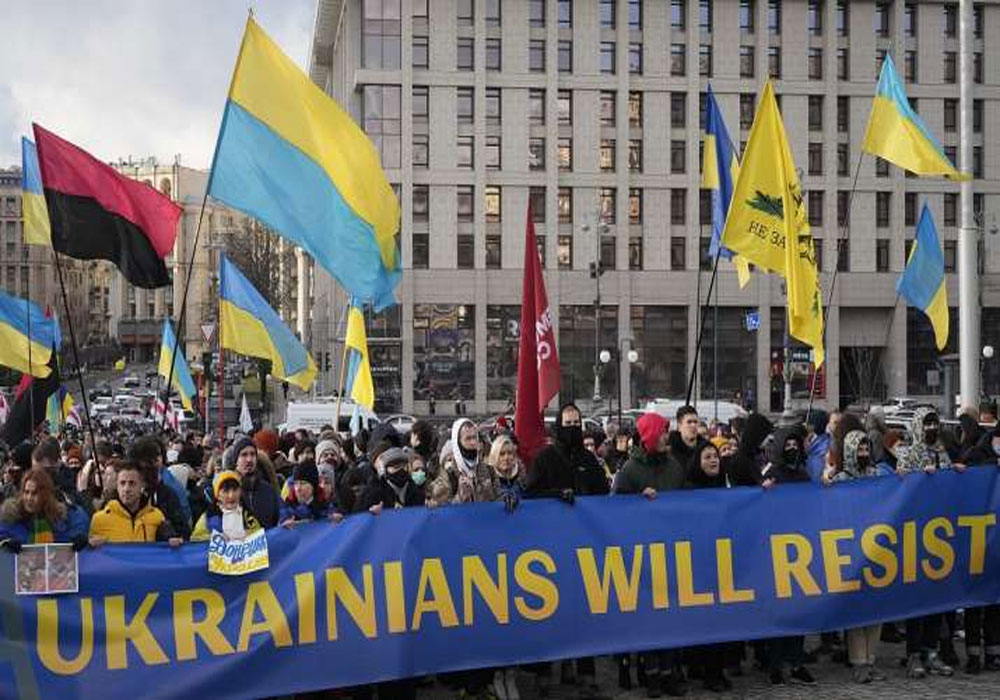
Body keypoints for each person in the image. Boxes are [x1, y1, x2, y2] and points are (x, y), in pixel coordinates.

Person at [524, 403, 609, 699]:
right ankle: (544, 672)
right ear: (558, 425)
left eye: (576, 423)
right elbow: (530, 494)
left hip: (584, 548)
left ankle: (585, 673)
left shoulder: (589, 459)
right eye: (567, 423)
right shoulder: (545, 458)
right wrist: (556, 496)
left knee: (583, 612)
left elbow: (603, 497)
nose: (572, 427)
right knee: (549, 613)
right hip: (551, 549)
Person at [616, 412, 686, 697]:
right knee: (648, 617)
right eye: (662, 432)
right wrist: (637, 500)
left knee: (670, 616)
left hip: (671, 551)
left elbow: (688, 501)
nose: (667, 437)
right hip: (642, 554)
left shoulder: (674, 467)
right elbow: (613, 508)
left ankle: (669, 672)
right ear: (650, 436)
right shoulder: (630, 470)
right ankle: (651, 674)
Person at [822, 431, 886, 683]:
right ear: (849, 451)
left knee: (876, 609)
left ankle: (871, 660)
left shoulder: (877, 475)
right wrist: (826, 480)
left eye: (866, 449)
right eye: (859, 449)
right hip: (851, 551)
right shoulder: (840, 479)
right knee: (857, 610)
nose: (863, 454)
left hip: (876, 550)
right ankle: (858, 661)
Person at [683, 442, 735, 692]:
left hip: (722, 562)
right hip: (700, 564)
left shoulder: (725, 487)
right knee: (707, 621)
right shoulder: (690, 491)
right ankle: (707, 671)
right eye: (707, 457)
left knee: (722, 620)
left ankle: (715, 669)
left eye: (715, 456)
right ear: (698, 463)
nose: (714, 460)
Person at [89, 463, 183, 546]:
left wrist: (171, 542)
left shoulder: (157, 516)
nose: (126, 489)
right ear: (117, 486)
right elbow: (91, 556)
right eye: (122, 483)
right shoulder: (99, 520)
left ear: (142, 485)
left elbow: (165, 549)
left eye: (132, 483)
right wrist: (90, 544)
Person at [0, 468, 90, 552]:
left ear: (45, 495)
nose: (29, 498)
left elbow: (79, 526)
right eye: (26, 492)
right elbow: (2, 535)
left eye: (34, 493)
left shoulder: (63, 518)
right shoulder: (11, 518)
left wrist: (80, 538)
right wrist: (4, 542)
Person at [127, 436, 192, 539]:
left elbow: (184, 533)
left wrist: (171, 536)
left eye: (145, 469)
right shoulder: (120, 498)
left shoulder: (168, 495)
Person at [191, 469, 263, 542]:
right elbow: (195, 541)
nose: (231, 496)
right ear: (218, 495)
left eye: (235, 490)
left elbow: (260, 536)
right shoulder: (207, 518)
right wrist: (216, 537)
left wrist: (250, 534)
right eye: (225, 491)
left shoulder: (247, 516)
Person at [229, 435, 282, 529]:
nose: (249, 459)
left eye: (252, 454)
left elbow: (282, 512)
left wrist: (285, 519)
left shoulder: (268, 490)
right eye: (244, 455)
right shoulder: (227, 490)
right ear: (236, 460)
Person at [279, 460, 336, 525]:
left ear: (313, 486)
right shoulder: (286, 506)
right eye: (296, 483)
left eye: (303, 483)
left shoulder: (325, 505)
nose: (298, 489)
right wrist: (284, 523)